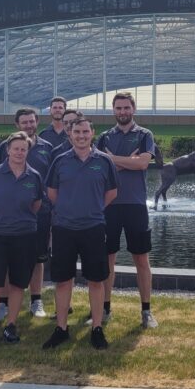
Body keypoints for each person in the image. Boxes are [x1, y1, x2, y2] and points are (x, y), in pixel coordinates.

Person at [43, 118, 119, 350]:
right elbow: (52, 192)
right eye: (77, 132)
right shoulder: (60, 161)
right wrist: (70, 209)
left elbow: (112, 192)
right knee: (64, 280)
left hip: (93, 227)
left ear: (92, 133)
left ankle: (97, 328)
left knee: (96, 280)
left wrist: (91, 208)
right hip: (64, 228)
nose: (81, 135)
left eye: (85, 131)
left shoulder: (104, 161)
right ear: (70, 134)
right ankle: (61, 328)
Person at [97, 92, 158, 328]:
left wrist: (112, 160)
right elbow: (100, 171)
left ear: (133, 109)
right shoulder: (103, 137)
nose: (122, 112)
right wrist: (126, 161)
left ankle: (146, 311)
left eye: (126, 108)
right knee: (107, 259)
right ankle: (104, 307)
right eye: (118, 108)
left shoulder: (144, 135)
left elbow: (142, 163)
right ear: (113, 110)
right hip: (109, 205)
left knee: (141, 259)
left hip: (135, 205)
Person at [0, 131, 44, 350]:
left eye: (23, 149)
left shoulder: (34, 176)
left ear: (28, 151)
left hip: (24, 236)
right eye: (15, 148)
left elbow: (36, 204)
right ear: (8, 150)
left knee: (17, 284)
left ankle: (11, 325)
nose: (19, 152)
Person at [0, 107, 55, 320]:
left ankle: (36, 300)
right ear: (17, 125)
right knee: (7, 259)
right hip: (8, 215)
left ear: (37, 121)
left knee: (38, 258)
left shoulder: (47, 147)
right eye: (24, 122)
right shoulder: (5, 148)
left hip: (40, 213)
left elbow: (52, 181)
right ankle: (3, 303)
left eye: (32, 121)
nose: (29, 125)